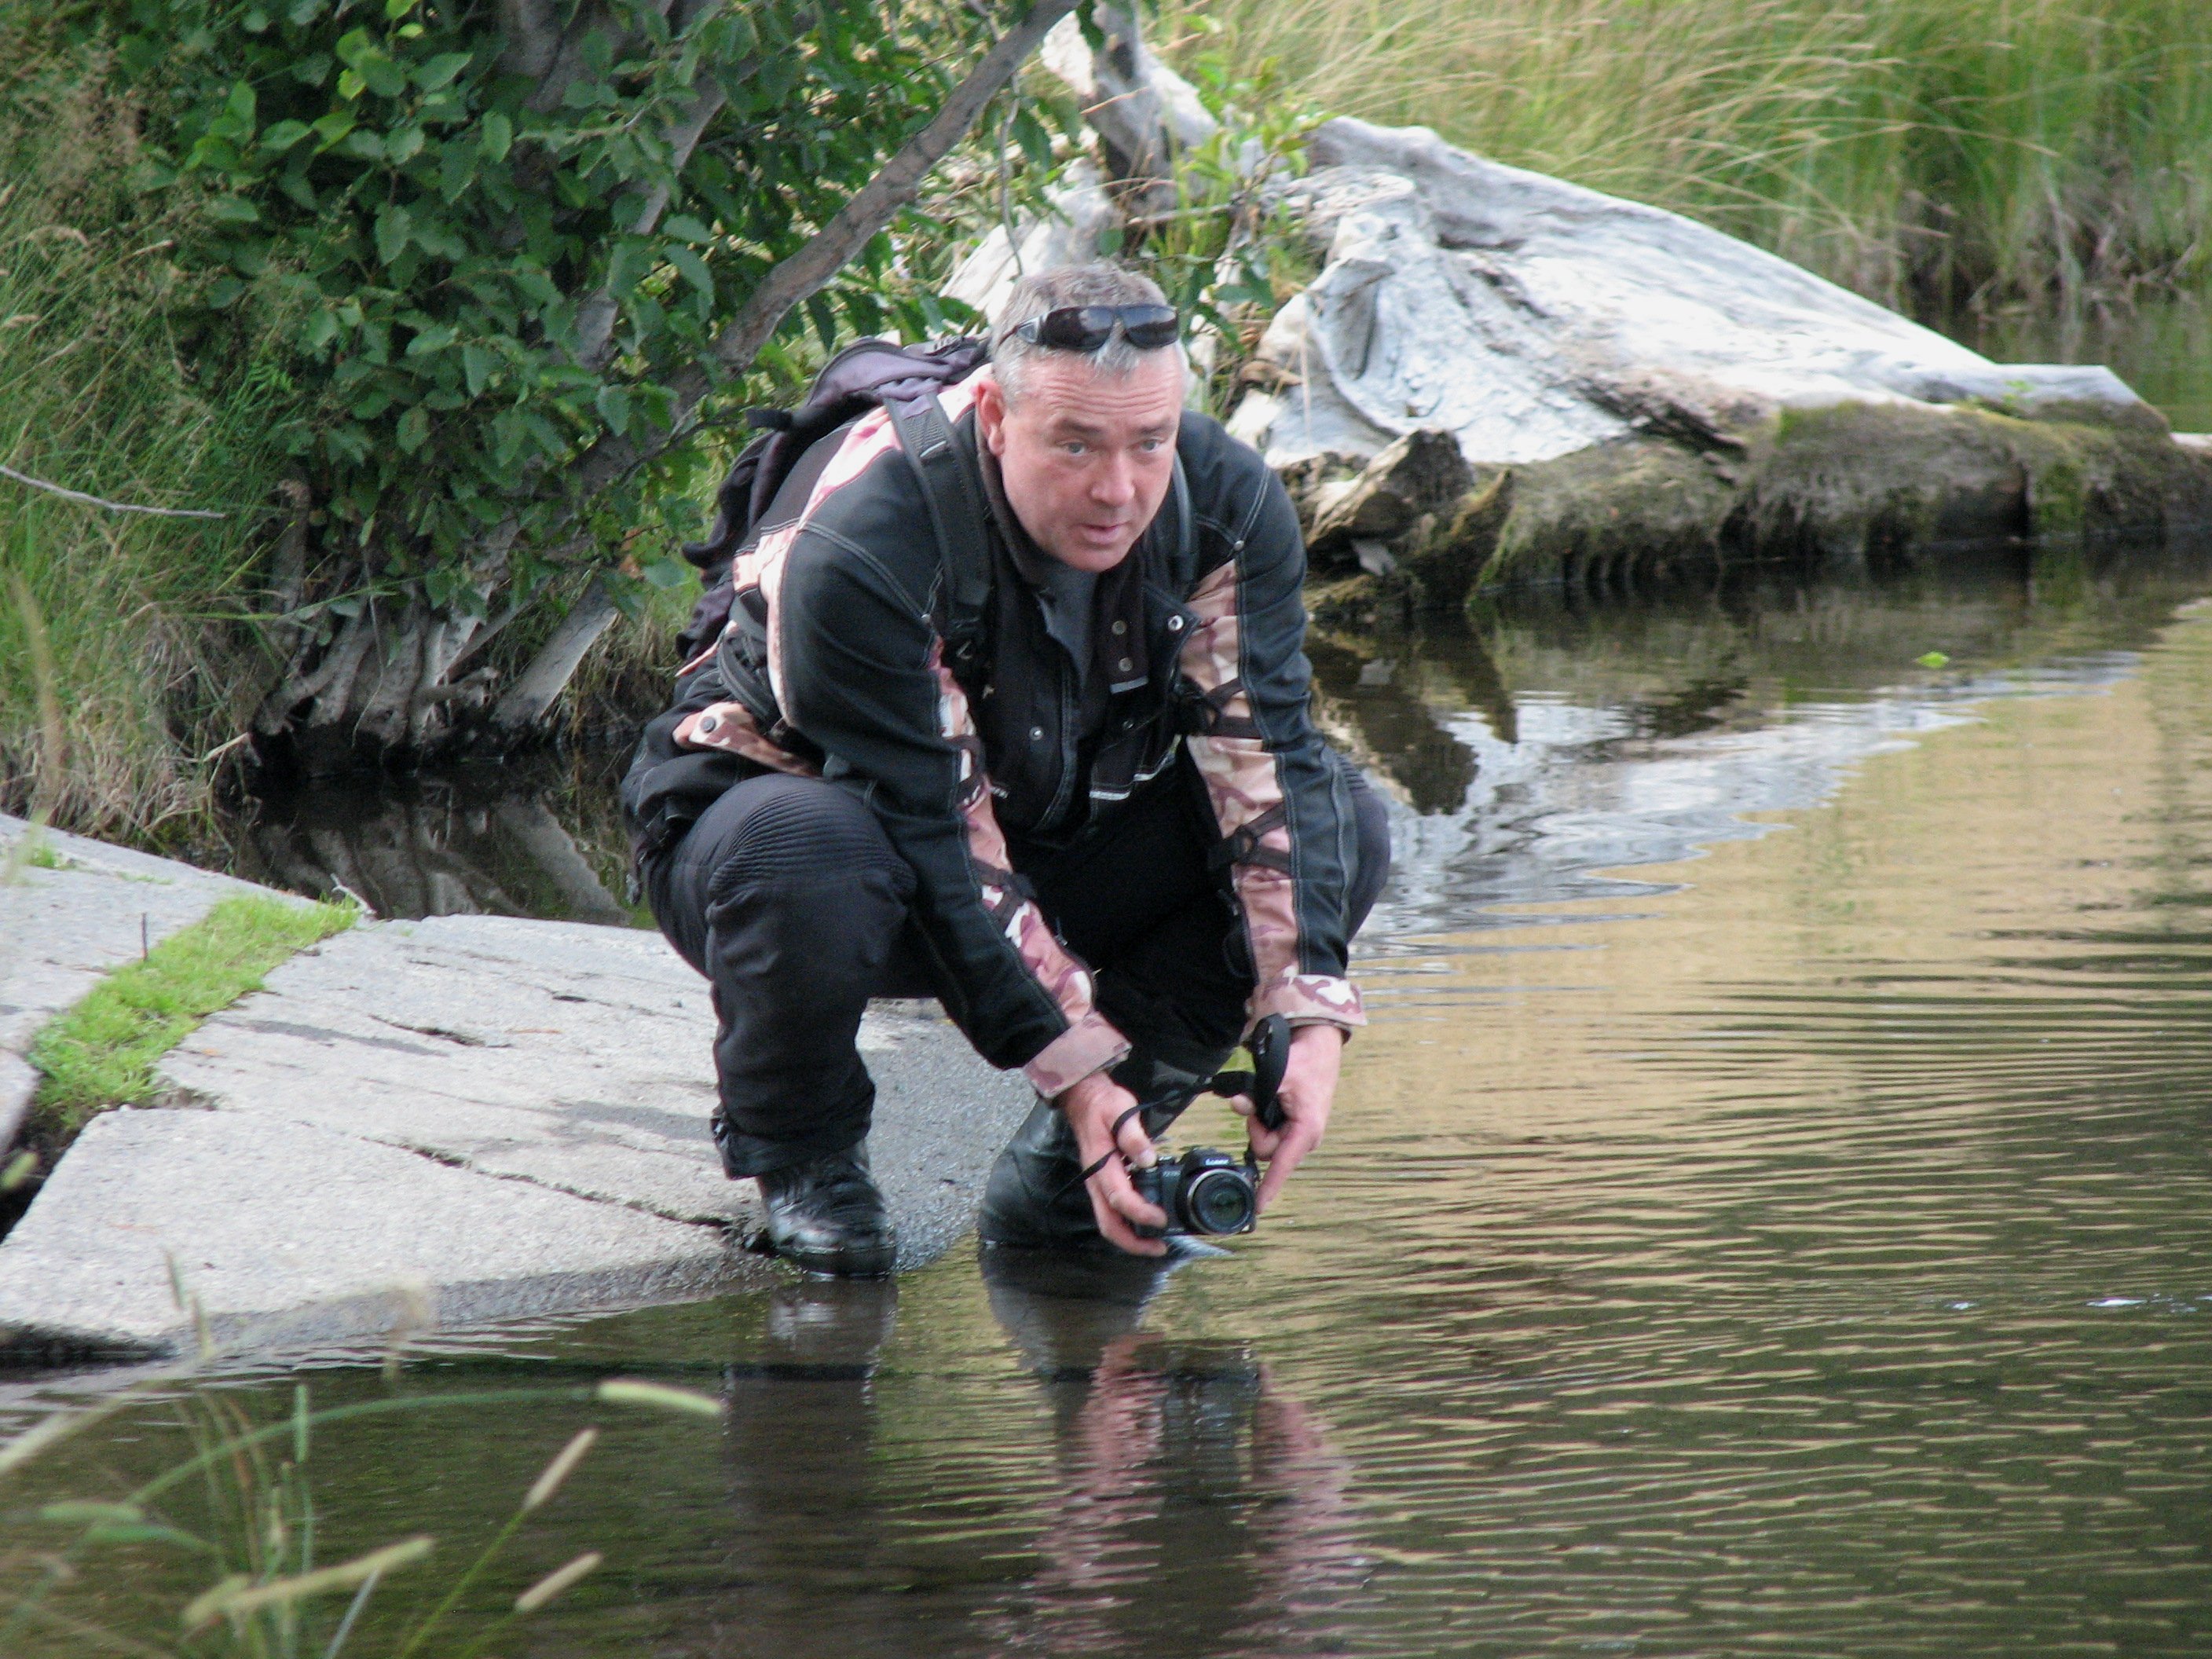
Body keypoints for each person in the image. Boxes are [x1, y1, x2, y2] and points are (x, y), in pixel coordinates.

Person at [622, 263, 1389, 1274]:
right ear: (992, 414)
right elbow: (936, 830)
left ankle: (1092, 1174)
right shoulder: (865, 537)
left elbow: (1268, 768)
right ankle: (805, 1162)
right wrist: (1071, 1068)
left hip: (1047, 830)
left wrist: (1306, 1008)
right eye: (1074, 444)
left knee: (1343, 816)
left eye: (1146, 443)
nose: (1118, 489)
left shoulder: (1225, 503)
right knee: (806, 846)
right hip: (806, 856)